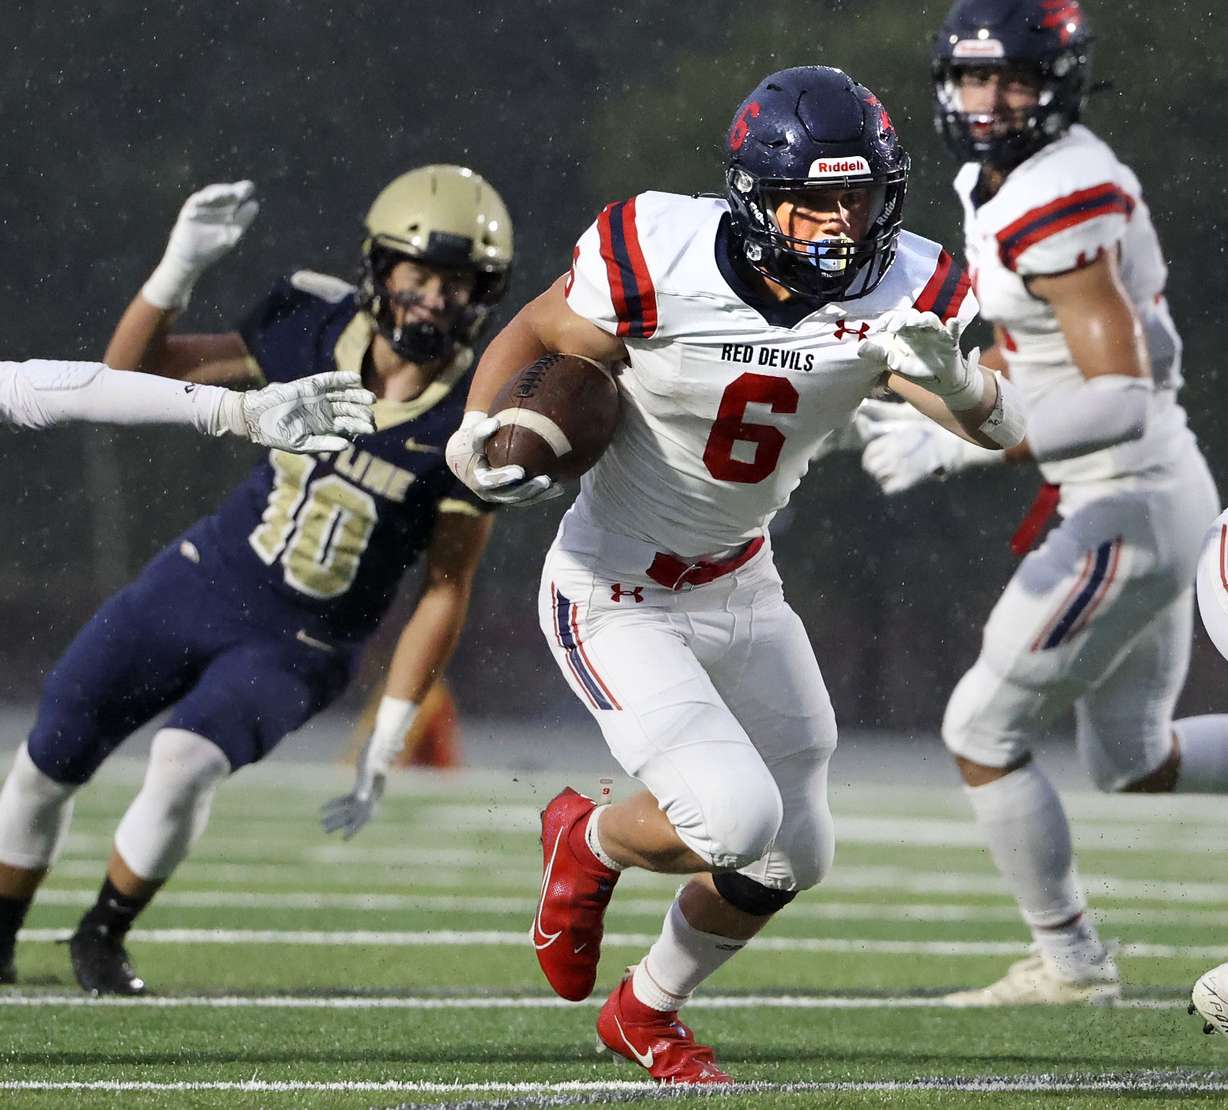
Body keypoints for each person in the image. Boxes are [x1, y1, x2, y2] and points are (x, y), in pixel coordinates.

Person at [446, 66, 1024, 1083]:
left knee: (797, 851)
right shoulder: (658, 255)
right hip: (615, 589)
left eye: (860, 198)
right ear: (757, 198)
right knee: (737, 820)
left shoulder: (905, 287)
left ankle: (645, 1009)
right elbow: (539, 329)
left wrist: (961, 381)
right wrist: (476, 432)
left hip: (742, 579)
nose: (843, 225)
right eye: (816, 202)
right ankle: (589, 837)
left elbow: (1006, 431)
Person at [0, 165, 512, 994]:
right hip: (203, 577)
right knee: (47, 755)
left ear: (483, 295)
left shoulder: (473, 417)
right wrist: (177, 269)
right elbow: (129, 375)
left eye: (457, 285)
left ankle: (101, 934)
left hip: (305, 639)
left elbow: (446, 587)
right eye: (419, 276)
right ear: (379, 269)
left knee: (182, 763)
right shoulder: (311, 324)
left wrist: (390, 733)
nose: (433, 301)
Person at [857, 0, 1228, 1006]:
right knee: (1132, 762)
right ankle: (1071, 960)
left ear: (1056, 83)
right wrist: (927, 396)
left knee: (980, 731)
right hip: (1145, 493)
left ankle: (1070, 964)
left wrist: (958, 443)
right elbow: (1037, 353)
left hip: (1129, 498)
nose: (989, 99)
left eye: (1013, 78)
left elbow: (1119, 395)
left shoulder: (1058, 194)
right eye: (973, 77)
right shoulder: (1002, 183)